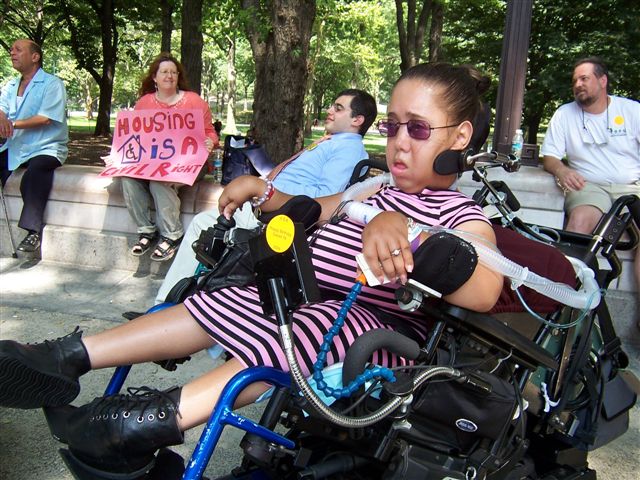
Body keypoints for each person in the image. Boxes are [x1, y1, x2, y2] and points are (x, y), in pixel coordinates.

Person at [0, 63, 503, 477]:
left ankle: (144, 422)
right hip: (308, 302)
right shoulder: (371, 189)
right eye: (393, 126)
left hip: (375, 336)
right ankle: (64, 357)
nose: (399, 142)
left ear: (459, 136)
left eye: (417, 129)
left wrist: (406, 229)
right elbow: (315, 206)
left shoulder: (462, 215)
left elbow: (486, 287)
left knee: (310, 328)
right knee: (222, 298)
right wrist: (263, 191)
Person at [150, 88, 377, 305]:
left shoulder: (349, 150)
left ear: (357, 120)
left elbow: (323, 200)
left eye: (338, 108)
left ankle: (165, 307)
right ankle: (180, 307)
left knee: (203, 225)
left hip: (277, 215)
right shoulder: (331, 142)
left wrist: (267, 193)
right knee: (207, 231)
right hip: (265, 205)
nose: (329, 110)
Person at [541, 57, 640, 325]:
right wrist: (562, 171)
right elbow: (549, 156)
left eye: (584, 78)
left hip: (631, 187)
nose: (577, 84)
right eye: (575, 80)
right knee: (580, 222)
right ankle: (559, 304)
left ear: (602, 80)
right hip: (588, 185)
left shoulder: (631, 111)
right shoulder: (565, 113)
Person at [122, 52, 219, 262]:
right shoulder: (145, 103)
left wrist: (211, 141)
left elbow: (210, 132)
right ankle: (147, 231)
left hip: (190, 163)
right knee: (128, 179)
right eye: (164, 72)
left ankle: (172, 235)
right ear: (154, 77)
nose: (169, 76)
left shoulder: (194, 101)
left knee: (159, 181)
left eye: (173, 72)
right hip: (152, 162)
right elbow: (134, 136)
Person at [0, 39, 68, 253]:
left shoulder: (52, 83)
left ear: (35, 57)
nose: (12, 53)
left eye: (18, 50)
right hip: (15, 146)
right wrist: (1, 117)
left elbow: (46, 118)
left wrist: (10, 124)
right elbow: (1, 107)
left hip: (46, 147)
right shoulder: (10, 85)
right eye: (11, 50)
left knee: (35, 174)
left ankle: (33, 232)